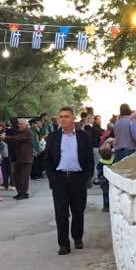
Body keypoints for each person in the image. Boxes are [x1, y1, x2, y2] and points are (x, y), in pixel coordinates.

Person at [42, 106, 95, 255]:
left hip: (78, 179)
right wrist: (52, 178)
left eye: (66, 116)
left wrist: (87, 177)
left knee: (78, 211)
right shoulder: (53, 137)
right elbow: (47, 160)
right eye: (61, 117)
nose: (63, 119)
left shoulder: (84, 136)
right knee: (61, 213)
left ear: (73, 119)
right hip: (59, 179)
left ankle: (77, 238)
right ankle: (64, 244)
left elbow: (90, 159)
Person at [8, 119, 34, 200]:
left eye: (21, 124)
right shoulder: (19, 132)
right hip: (19, 158)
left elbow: (18, 138)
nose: (19, 125)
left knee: (23, 177)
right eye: (19, 124)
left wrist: (6, 137)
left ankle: (23, 193)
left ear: (26, 125)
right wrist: (3, 137)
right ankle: (20, 192)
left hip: (26, 159)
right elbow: (14, 139)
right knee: (16, 176)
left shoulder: (28, 132)